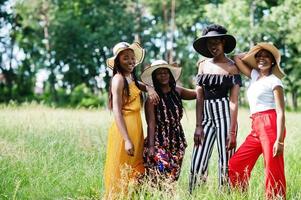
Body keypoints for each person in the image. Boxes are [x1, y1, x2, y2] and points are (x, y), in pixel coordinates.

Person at [229, 42, 286, 200]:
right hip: (256, 126)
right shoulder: (255, 76)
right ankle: (242, 196)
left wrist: (280, 141)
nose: (262, 58)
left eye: (266, 56)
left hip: (271, 124)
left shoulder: (275, 81)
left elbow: (281, 111)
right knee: (236, 164)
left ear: (273, 61)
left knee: (273, 169)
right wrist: (254, 52)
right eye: (259, 56)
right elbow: (237, 58)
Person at [189, 24, 241, 192]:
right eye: (209, 43)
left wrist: (232, 131)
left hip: (225, 114)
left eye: (216, 42)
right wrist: (198, 125)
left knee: (225, 161)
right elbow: (199, 96)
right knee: (197, 161)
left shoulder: (232, 67)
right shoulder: (202, 65)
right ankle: (194, 194)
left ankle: (224, 194)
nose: (213, 46)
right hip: (206, 116)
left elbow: (233, 101)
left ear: (223, 42)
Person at [103, 42, 159, 198]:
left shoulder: (130, 77)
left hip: (136, 125)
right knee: (121, 167)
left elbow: (140, 86)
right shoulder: (118, 80)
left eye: (132, 58)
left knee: (134, 165)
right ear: (118, 61)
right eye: (125, 58)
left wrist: (149, 88)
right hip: (124, 129)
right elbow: (117, 111)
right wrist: (126, 139)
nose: (130, 61)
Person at [140, 60, 196, 182]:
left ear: (170, 74)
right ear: (155, 76)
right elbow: (151, 123)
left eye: (165, 72)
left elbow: (197, 94)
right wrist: (150, 146)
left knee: (173, 175)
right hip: (158, 139)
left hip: (177, 138)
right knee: (162, 170)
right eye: (159, 73)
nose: (163, 75)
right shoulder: (152, 98)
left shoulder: (178, 91)